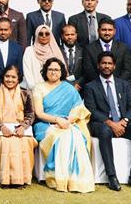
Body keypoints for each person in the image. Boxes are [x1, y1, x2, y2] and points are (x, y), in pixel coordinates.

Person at [83, 51, 131, 191]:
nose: (106, 66)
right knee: (105, 132)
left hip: (122, 121)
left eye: (109, 63)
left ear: (114, 66)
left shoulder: (123, 84)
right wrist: (111, 123)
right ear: (99, 65)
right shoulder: (90, 86)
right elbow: (91, 110)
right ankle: (111, 176)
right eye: (104, 63)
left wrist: (124, 121)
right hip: (101, 124)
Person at [32, 58, 94, 192]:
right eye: (50, 69)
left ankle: (76, 180)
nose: (53, 72)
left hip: (68, 123)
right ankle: (59, 179)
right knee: (62, 138)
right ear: (45, 71)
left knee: (75, 135)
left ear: (62, 72)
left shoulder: (68, 88)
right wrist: (57, 120)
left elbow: (79, 109)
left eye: (56, 69)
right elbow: (39, 113)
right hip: (45, 124)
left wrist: (68, 121)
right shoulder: (39, 88)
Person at [0, 65, 36, 188]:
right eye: (7, 76)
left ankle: (21, 179)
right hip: (0, 129)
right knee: (6, 142)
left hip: (20, 128)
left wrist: (23, 127)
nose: (10, 79)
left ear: (18, 78)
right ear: (3, 77)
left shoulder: (25, 93)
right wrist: (2, 127)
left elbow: (30, 114)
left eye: (13, 77)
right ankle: (6, 180)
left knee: (24, 142)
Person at [82, 19, 131, 85]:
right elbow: (89, 70)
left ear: (114, 31)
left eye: (110, 30)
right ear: (98, 31)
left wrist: (117, 83)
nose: (107, 33)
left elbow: (127, 69)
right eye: (104, 30)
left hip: (119, 85)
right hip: (97, 86)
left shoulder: (123, 47)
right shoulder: (89, 48)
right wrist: (102, 83)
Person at [22, 25, 65, 90]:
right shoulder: (29, 50)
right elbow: (27, 72)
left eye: (47, 34)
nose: (44, 36)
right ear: (36, 35)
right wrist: (36, 88)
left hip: (54, 90)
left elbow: (60, 72)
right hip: (34, 90)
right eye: (41, 34)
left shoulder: (55, 50)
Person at [60, 25, 84, 91]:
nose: (70, 37)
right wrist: (71, 84)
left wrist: (77, 83)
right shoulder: (57, 51)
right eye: (67, 35)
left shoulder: (83, 51)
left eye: (72, 34)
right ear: (62, 36)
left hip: (79, 87)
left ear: (76, 36)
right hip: (62, 87)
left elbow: (85, 72)